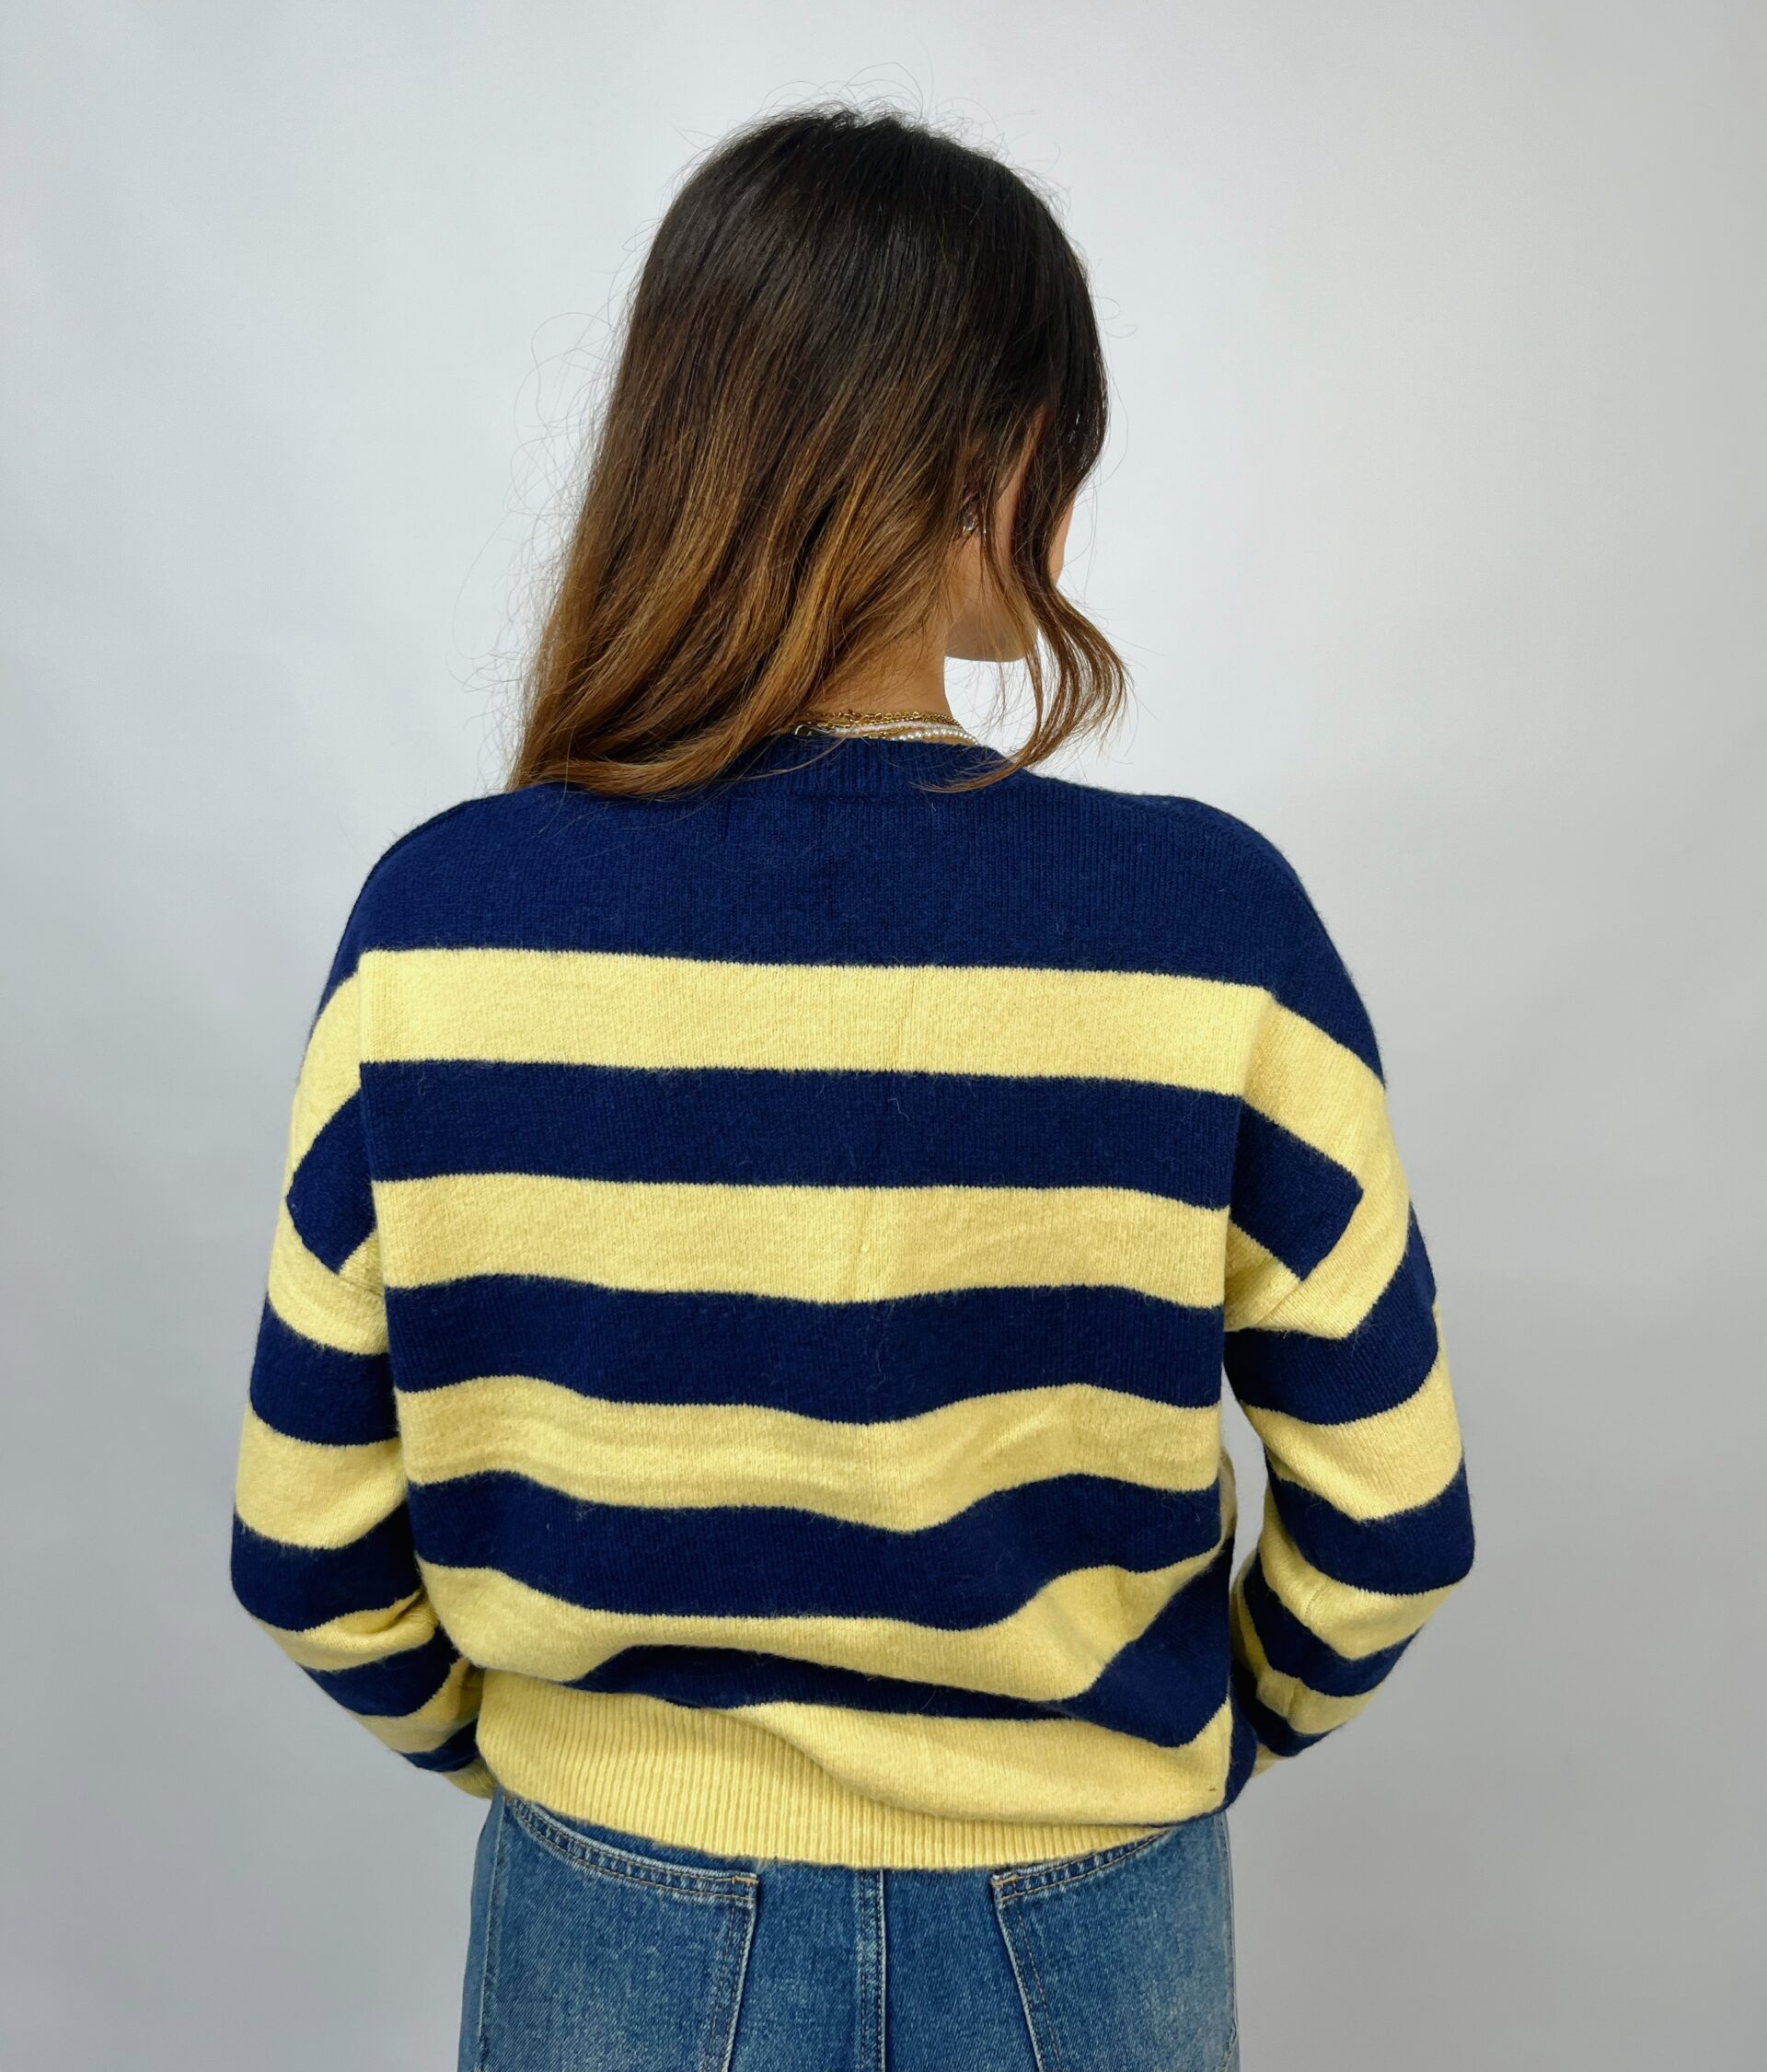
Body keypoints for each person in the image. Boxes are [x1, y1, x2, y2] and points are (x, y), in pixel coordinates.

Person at [230, 104, 1475, 2072]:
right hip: (1094, 1920)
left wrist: (574, 1768)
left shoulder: (439, 926)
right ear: (1001, 460)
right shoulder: (1211, 926)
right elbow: (1392, 1515)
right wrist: (1157, 1750)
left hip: (611, 1911)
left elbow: (304, 1537)